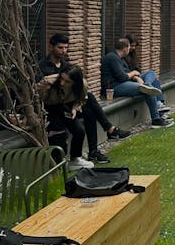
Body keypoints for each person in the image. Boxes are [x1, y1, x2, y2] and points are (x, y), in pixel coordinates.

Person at [37, 34, 131, 163]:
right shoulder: (42, 67)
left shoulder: (67, 65)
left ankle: (93, 151)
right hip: (53, 108)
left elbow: (78, 91)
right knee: (89, 104)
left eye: (66, 48)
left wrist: (76, 107)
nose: (64, 51)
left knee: (89, 109)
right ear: (51, 47)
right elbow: (39, 93)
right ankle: (109, 130)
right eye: (60, 47)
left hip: (69, 105)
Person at [101, 38, 173, 128]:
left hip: (125, 82)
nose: (130, 49)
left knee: (151, 74)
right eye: (129, 47)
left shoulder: (120, 58)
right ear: (125, 48)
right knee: (148, 90)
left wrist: (136, 77)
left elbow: (127, 72)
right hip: (114, 87)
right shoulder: (112, 58)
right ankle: (156, 120)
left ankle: (158, 104)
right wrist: (134, 73)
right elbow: (123, 77)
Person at [38, 65, 94, 172]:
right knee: (58, 132)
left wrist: (75, 108)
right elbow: (34, 99)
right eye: (61, 79)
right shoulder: (47, 83)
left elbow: (81, 99)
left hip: (66, 107)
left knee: (79, 130)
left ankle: (75, 159)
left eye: (67, 81)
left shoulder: (82, 85)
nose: (62, 83)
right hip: (49, 108)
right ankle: (59, 163)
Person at [124, 35, 171, 115]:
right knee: (152, 85)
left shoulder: (133, 55)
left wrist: (137, 74)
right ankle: (159, 112)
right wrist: (135, 76)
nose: (133, 48)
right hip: (130, 80)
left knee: (152, 74)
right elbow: (125, 73)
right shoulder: (122, 57)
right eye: (131, 46)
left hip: (137, 77)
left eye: (135, 46)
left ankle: (159, 103)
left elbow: (137, 69)